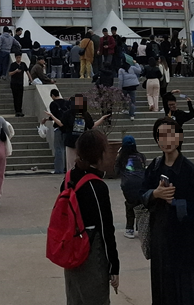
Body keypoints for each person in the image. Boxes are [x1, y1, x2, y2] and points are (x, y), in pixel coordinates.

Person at [140, 117, 194, 305]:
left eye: (170, 134)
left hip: (184, 246)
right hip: (160, 243)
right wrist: (155, 194)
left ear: (179, 137)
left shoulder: (190, 171)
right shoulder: (154, 167)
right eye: (161, 135)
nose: (166, 140)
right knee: (162, 292)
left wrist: (175, 203)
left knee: (184, 295)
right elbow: (141, 195)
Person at [63, 130, 120, 303]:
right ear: (99, 154)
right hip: (91, 253)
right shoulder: (96, 186)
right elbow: (106, 229)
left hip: (71, 249)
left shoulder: (69, 177)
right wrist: (114, 266)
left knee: (75, 299)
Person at [115, 134, 147, 240]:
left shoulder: (121, 158)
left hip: (128, 185)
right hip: (142, 184)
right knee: (141, 205)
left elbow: (116, 171)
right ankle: (141, 228)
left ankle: (129, 229)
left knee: (130, 205)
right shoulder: (141, 156)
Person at [46, 88, 71, 173]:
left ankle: (59, 169)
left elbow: (53, 116)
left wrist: (47, 119)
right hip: (67, 128)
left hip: (58, 127)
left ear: (53, 95)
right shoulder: (67, 102)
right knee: (66, 148)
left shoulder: (53, 104)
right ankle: (67, 168)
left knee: (58, 148)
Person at [8, 50, 31, 117]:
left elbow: (27, 72)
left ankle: (20, 110)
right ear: (15, 58)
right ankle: (17, 111)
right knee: (15, 97)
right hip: (14, 83)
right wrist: (15, 71)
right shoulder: (13, 65)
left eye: (19, 57)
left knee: (20, 97)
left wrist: (31, 79)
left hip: (20, 83)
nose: (18, 59)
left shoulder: (23, 64)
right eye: (17, 57)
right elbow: (10, 73)